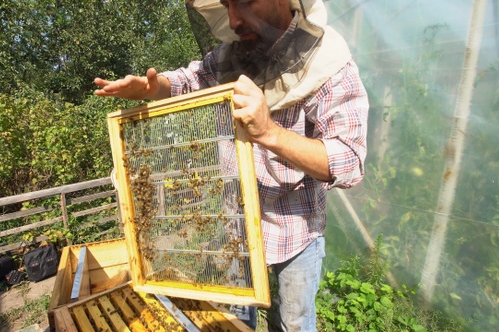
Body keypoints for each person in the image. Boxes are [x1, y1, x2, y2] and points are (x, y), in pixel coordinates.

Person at [94, 0, 368, 330]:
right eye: (226, 5)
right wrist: (154, 88)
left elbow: (349, 160)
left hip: (296, 228)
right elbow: (189, 79)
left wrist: (270, 133)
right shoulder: (232, 54)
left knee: (293, 324)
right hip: (235, 227)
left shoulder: (327, 60)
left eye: (243, 1)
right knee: (234, 322)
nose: (234, 19)